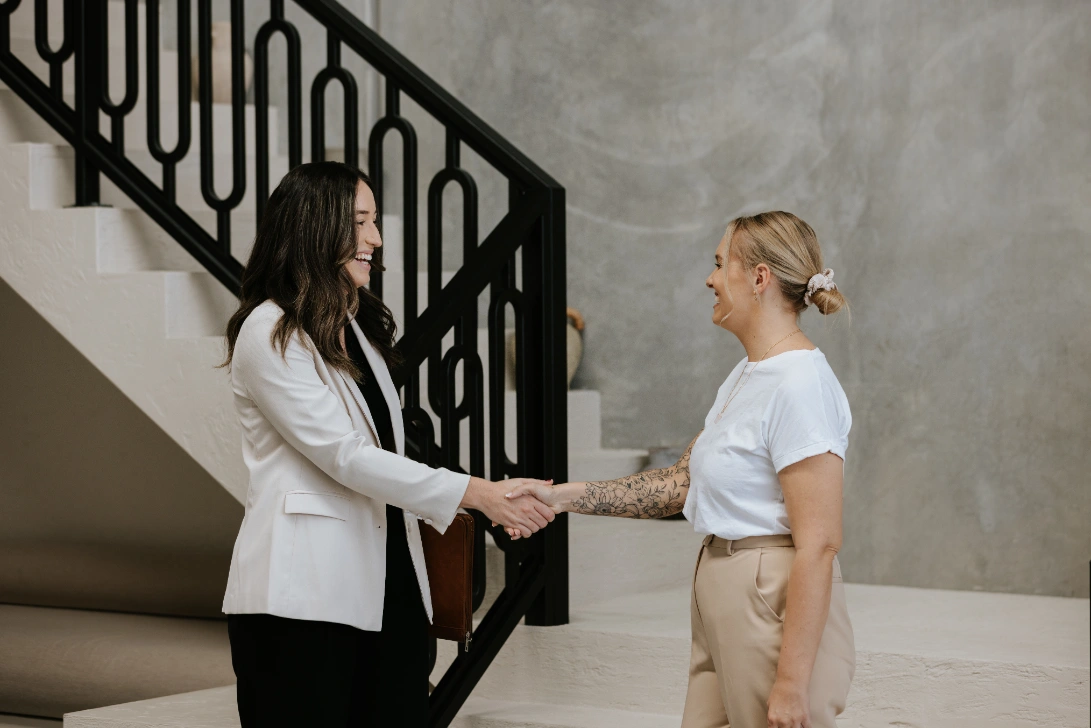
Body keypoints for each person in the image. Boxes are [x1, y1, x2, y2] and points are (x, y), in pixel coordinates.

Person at [219, 161, 555, 728]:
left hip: (389, 587)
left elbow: (389, 455)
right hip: (303, 600)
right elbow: (345, 456)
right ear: (312, 227)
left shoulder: (355, 326)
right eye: (359, 222)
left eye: (375, 222)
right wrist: (479, 494)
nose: (375, 239)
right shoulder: (268, 331)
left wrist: (493, 495)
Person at [507, 211, 856, 728]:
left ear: (759, 278)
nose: (710, 279)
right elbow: (680, 483)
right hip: (719, 590)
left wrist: (791, 681)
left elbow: (820, 544)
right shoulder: (748, 374)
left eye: (720, 264)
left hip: (766, 593)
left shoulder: (800, 382)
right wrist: (559, 497)